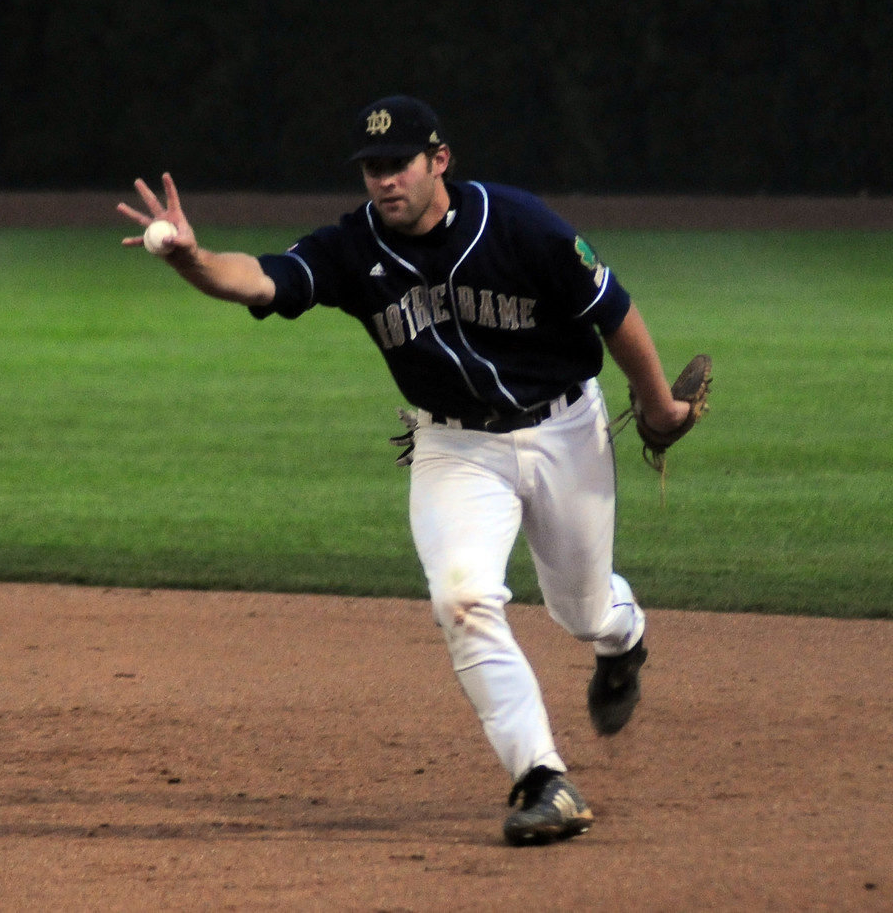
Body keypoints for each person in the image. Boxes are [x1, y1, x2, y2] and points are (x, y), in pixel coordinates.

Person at [118, 95, 691, 846]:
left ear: (438, 160)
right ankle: (543, 778)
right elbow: (261, 278)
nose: (384, 181)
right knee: (463, 597)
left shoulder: (520, 223)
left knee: (581, 610)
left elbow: (613, 312)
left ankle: (622, 641)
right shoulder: (354, 249)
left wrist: (659, 409)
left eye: (398, 164)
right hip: (456, 449)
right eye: (371, 168)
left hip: (565, 430)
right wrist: (193, 259)